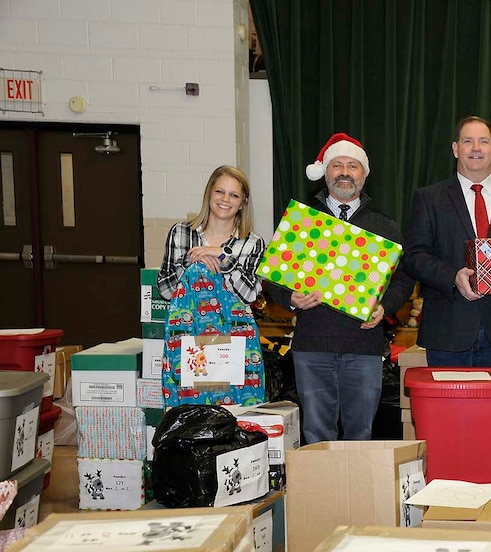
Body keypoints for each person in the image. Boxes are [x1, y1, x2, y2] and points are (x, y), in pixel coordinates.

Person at [265, 133, 415, 443]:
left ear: (364, 174)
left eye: (352, 166)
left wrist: (385, 307)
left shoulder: (384, 225)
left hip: (364, 347)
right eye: (337, 165)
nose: (345, 172)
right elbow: (272, 276)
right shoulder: (302, 221)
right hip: (312, 346)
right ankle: (322, 493)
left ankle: (356, 493)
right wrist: (291, 298)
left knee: (361, 433)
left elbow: (404, 277)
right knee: (316, 434)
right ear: (325, 172)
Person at [403, 116, 491, 367]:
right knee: (448, 408)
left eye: (483, 141)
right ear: (455, 148)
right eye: (468, 141)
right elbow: (415, 256)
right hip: (447, 331)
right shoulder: (429, 198)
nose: (476, 148)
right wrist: (452, 277)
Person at [157, 165, 266, 304]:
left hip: (234, 325)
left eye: (234, 195)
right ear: (209, 194)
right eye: (219, 191)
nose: (225, 199)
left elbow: (250, 297)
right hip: (187, 324)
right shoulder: (180, 232)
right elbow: (165, 292)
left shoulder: (253, 243)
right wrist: (190, 260)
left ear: (242, 204)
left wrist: (225, 257)